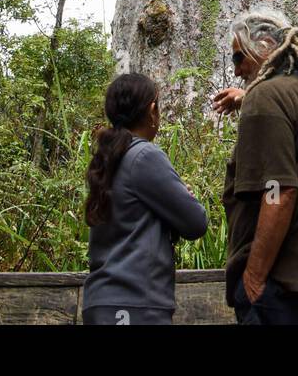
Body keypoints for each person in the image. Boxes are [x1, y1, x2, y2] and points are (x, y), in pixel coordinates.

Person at [212, 7, 298, 325]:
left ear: (263, 47)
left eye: (238, 58)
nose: (236, 71)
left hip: (280, 289)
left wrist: (253, 278)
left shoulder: (266, 98)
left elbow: (281, 192)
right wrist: (248, 98)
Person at [83, 72, 208, 325]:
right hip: (134, 304)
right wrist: (182, 198)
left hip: (102, 302)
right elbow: (196, 223)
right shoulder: (144, 156)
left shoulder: (107, 158)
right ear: (152, 111)